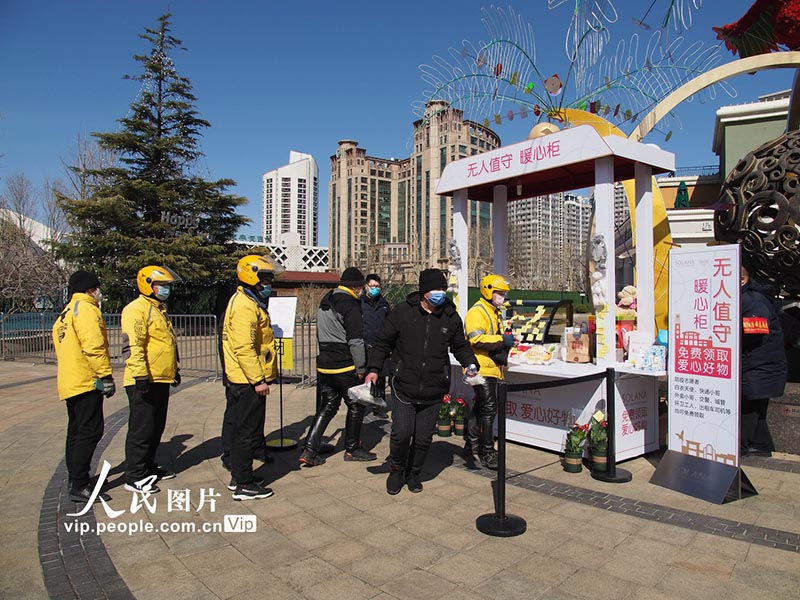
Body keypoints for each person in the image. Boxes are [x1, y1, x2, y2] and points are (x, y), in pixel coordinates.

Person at [365, 268, 478, 495]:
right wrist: (374, 369)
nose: (440, 294)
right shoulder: (402, 313)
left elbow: (461, 346)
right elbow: (383, 343)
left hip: (434, 388)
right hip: (403, 385)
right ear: (424, 291)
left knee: (424, 438)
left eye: (443, 289)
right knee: (402, 433)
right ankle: (397, 470)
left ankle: (414, 473)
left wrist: (471, 364)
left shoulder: (450, 316)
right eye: (436, 289)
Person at [300, 267, 377, 466]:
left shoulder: (327, 298)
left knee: (327, 406)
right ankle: (352, 449)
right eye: (361, 287)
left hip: (325, 363)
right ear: (357, 287)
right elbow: (355, 339)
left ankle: (310, 449)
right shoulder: (350, 304)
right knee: (356, 405)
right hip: (344, 364)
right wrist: (361, 368)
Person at [53, 270, 115, 504]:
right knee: (90, 431)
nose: (99, 292)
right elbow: (94, 346)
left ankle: (75, 478)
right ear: (90, 289)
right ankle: (80, 484)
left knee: (76, 431)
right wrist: (105, 375)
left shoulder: (65, 313)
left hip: (70, 380)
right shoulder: (87, 310)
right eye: (97, 288)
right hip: (86, 380)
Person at [221, 255, 279, 500]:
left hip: (242, 377)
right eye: (265, 279)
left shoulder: (248, 301)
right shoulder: (245, 306)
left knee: (242, 429)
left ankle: (240, 476)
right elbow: (244, 348)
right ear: (251, 277)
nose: (268, 284)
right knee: (246, 431)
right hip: (247, 381)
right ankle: (244, 484)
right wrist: (258, 380)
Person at [122, 265, 181, 494]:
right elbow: (134, 345)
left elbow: (165, 344)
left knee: (156, 427)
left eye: (167, 286)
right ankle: (134, 475)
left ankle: (147, 467)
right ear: (148, 285)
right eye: (162, 285)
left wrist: (173, 369)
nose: (165, 289)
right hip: (143, 379)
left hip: (160, 377)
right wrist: (140, 375)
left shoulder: (158, 309)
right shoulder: (136, 309)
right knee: (141, 430)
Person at [463, 274, 514, 470]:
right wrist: (502, 340)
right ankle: (487, 451)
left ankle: (471, 443)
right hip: (481, 368)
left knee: (482, 407)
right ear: (488, 291)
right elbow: (476, 339)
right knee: (489, 408)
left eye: (503, 293)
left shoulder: (493, 311)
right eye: (499, 292)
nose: (502, 296)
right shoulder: (478, 311)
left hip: (491, 367)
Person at [740, 264, 787, 457]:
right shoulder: (749, 298)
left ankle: (742, 447)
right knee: (756, 408)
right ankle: (760, 445)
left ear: (743, 280)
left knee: (749, 407)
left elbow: (754, 334)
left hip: (758, 365)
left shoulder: (754, 301)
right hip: (759, 364)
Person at [361, 273, 392, 418]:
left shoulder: (384, 304)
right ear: (366, 286)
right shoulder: (359, 303)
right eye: (372, 286)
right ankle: (361, 406)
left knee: (380, 378)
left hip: (380, 346)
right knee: (364, 377)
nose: (375, 289)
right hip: (365, 346)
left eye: (378, 286)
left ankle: (379, 406)